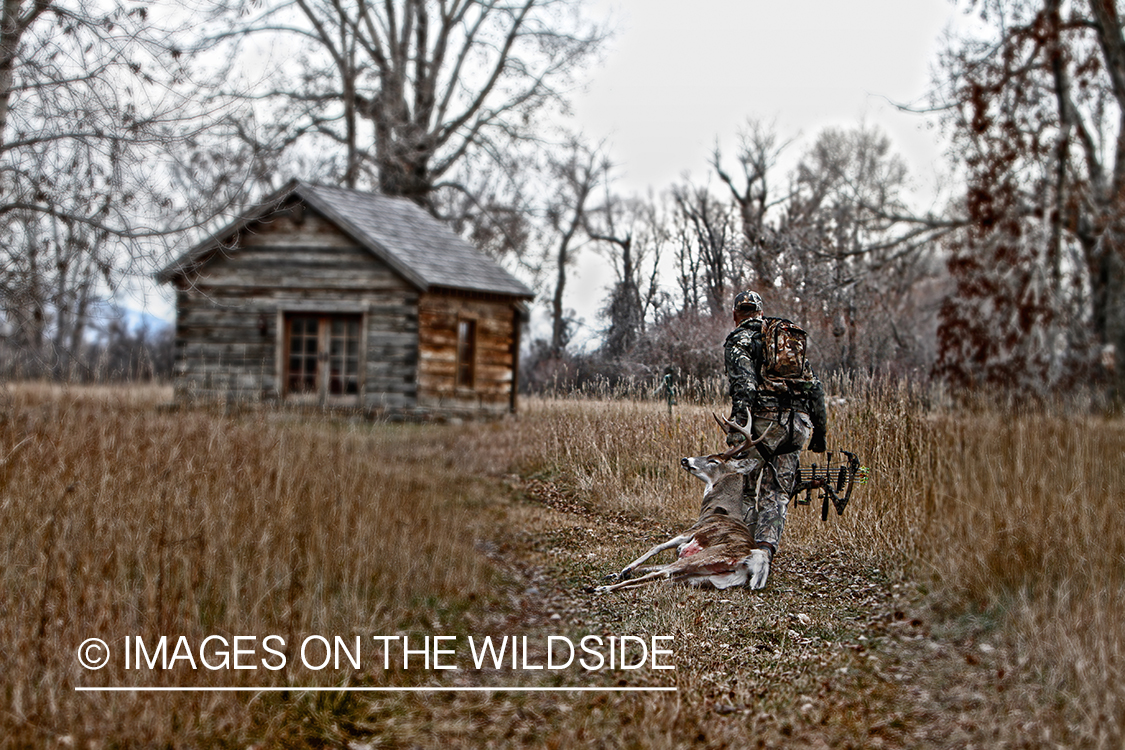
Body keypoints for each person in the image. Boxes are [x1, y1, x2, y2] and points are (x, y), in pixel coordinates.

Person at [723, 290, 827, 585]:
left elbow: (745, 388)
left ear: (736, 314)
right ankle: (764, 556)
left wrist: (737, 434)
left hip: (762, 428)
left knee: (740, 488)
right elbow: (815, 389)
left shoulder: (739, 340)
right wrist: (819, 434)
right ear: (760, 311)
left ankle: (740, 557)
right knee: (777, 494)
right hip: (797, 426)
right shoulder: (783, 340)